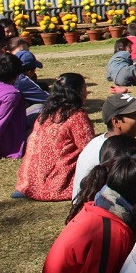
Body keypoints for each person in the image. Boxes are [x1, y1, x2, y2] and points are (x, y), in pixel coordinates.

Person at [13, 73, 94, 201]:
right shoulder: (76, 116)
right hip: (54, 186)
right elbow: (89, 149)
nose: (86, 92)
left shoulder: (44, 114)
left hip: (28, 184)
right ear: (78, 92)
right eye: (84, 88)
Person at [72, 92, 136, 201]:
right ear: (116, 122)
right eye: (135, 115)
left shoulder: (107, 141)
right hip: (96, 208)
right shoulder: (115, 149)